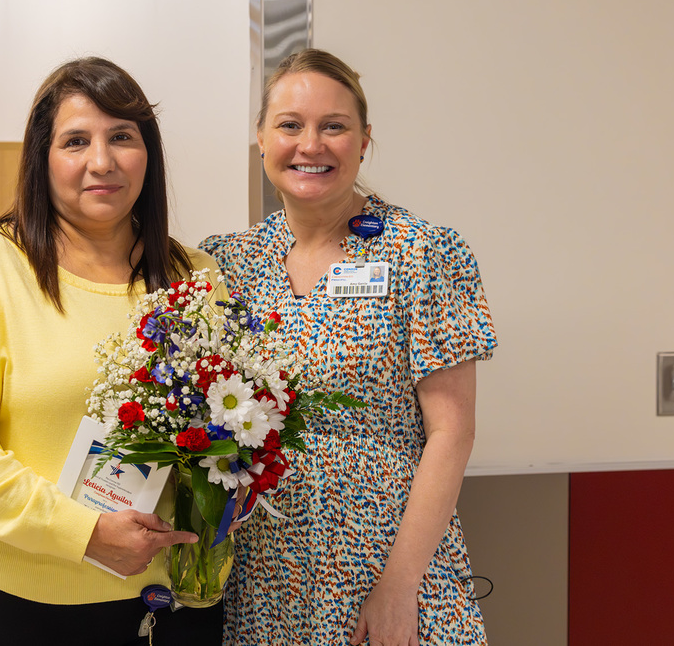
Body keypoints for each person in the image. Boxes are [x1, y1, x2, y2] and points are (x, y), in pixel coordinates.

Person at [0, 57, 224, 646]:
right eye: (76, 141)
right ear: (41, 160)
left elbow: (227, 435)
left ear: (147, 154)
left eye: (121, 137)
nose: (101, 161)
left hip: (172, 600)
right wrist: (82, 531)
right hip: (23, 602)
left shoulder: (194, 277)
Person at [200, 49, 497, 646]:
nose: (311, 144)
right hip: (267, 573)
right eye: (290, 125)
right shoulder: (227, 262)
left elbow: (452, 431)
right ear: (261, 138)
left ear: (364, 141)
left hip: (385, 563)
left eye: (333, 126)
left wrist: (400, 584)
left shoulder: (422, 253)